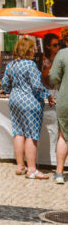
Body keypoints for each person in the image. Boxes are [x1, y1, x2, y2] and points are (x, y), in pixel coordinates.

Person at [0, 36, 54, 179]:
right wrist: (48, 95)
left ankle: (20, 166)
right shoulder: (30, 65)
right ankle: (32, 170)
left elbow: (4, 85)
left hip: (14, 100)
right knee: (31, 135)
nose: (35, 51)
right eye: (33, 48)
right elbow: (37, 86)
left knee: (18, 132)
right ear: (28, 50)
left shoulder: (10, 65)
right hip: (30, 102)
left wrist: (13, 90)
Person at [48, 40, 68, 185]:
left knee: (63, 135)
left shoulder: (62, 54)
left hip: (66, 99)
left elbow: (53, 77)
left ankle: (59, 173)